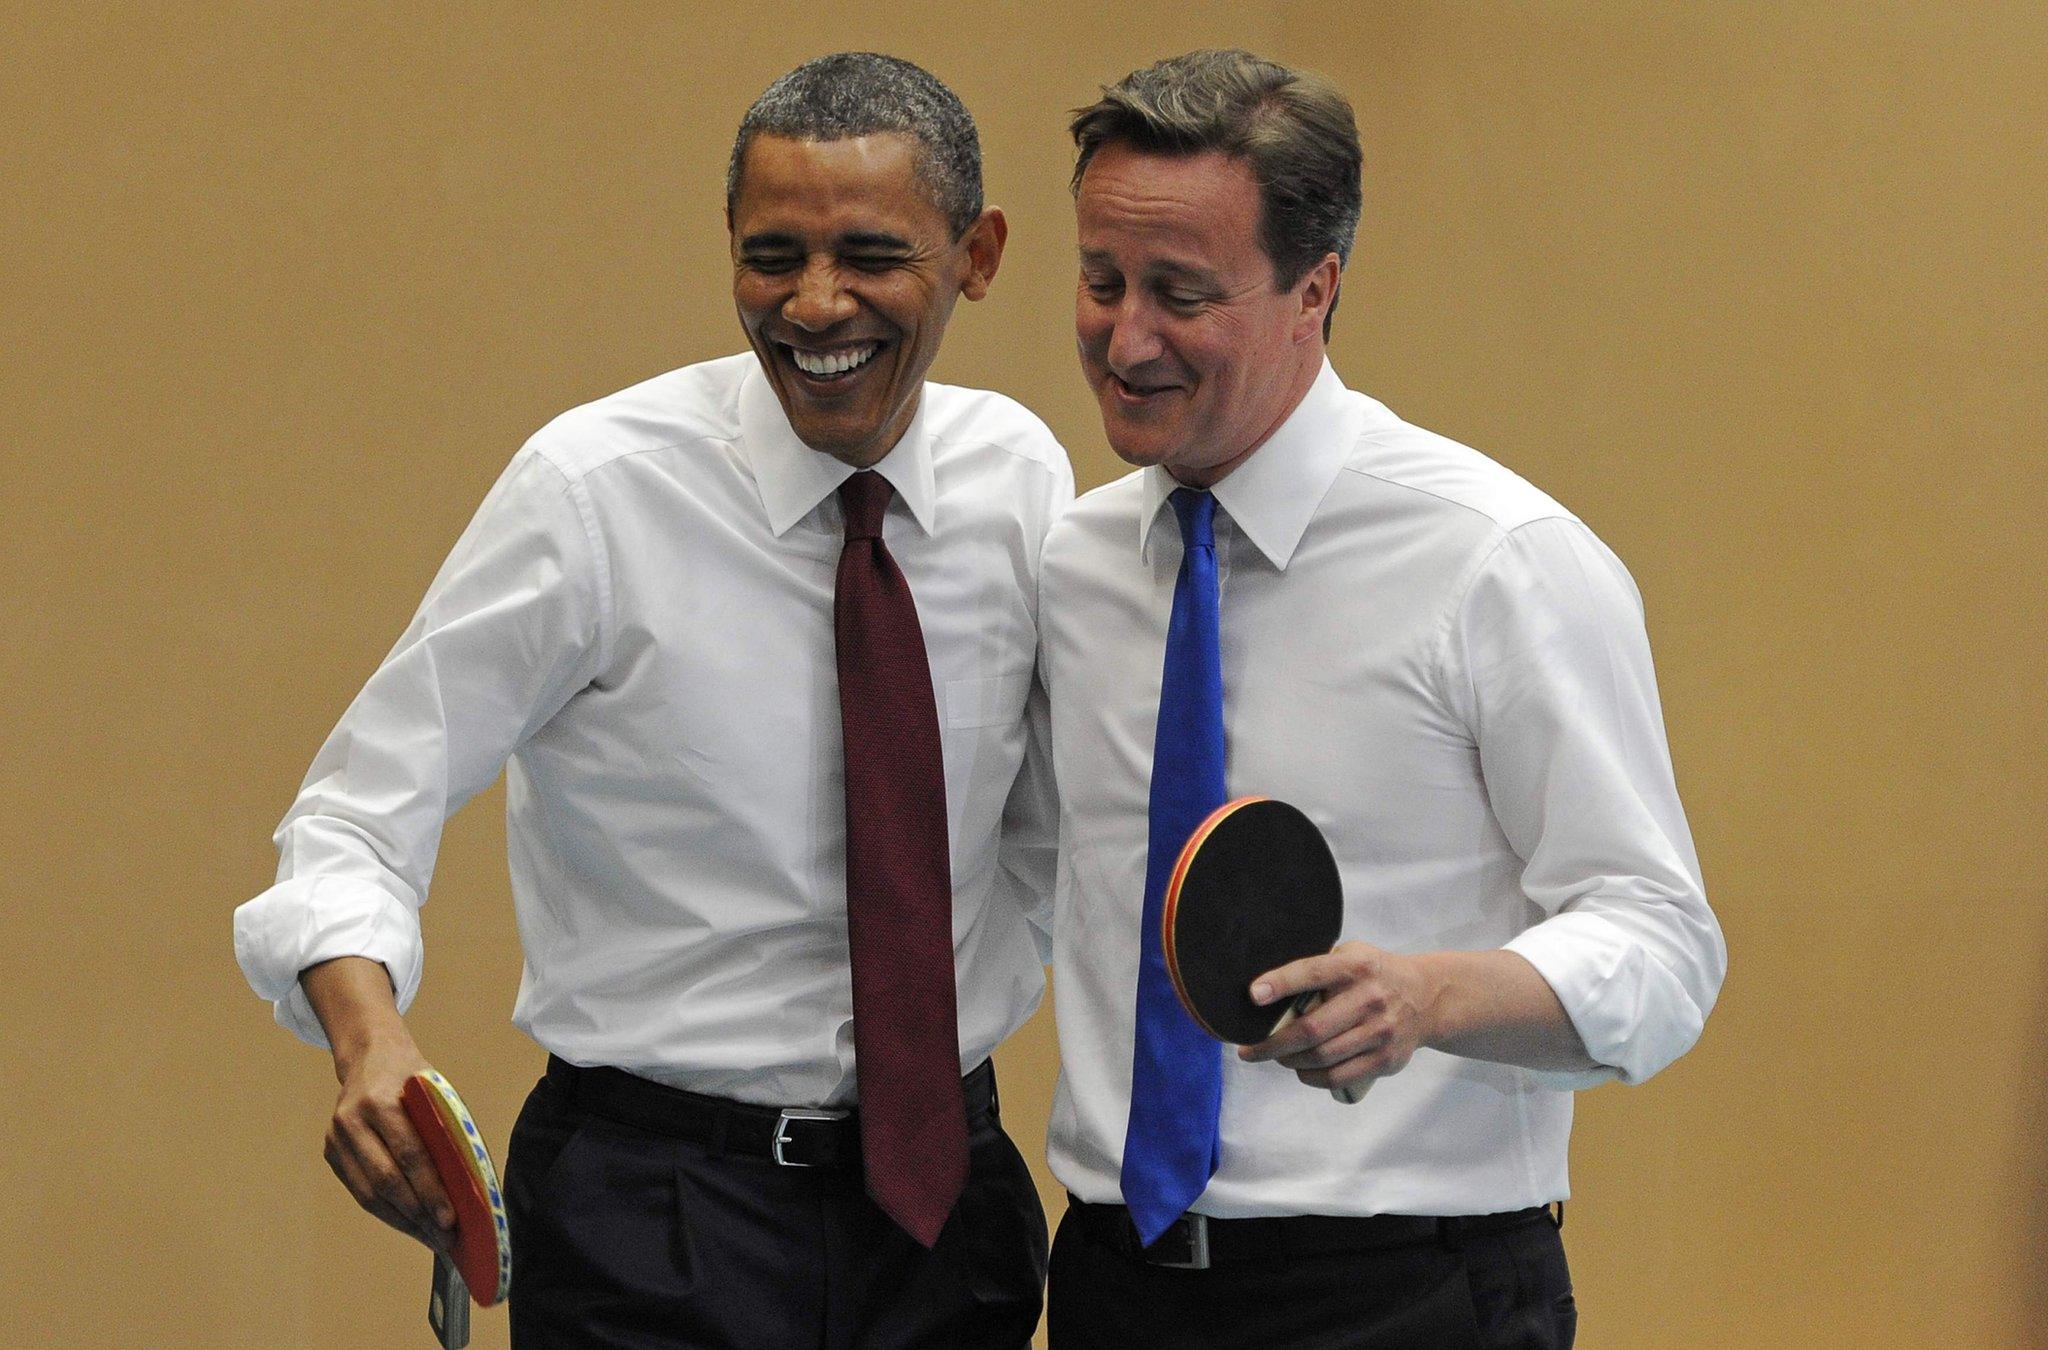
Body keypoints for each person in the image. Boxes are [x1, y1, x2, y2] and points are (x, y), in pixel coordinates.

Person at [233, 52, 1070, 1348]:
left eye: (869, 253)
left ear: (979, 252)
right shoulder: (592, 494)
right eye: (772, 253)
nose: (814, 301)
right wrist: (367, 1041)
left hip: (946, 1215)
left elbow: (1072, 824)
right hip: (655, 1215)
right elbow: (353, 813)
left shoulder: (1021, 479)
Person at [1036, 49, 1725, 1348]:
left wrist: (1433, 995)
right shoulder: (1074, 568)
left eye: (1182, 293)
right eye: (1101, 280)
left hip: (1408, 1291)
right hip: (1115, 1281)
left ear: (1317, 290)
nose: (1125, 339)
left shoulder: (1498, 561)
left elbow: (1666, 946)